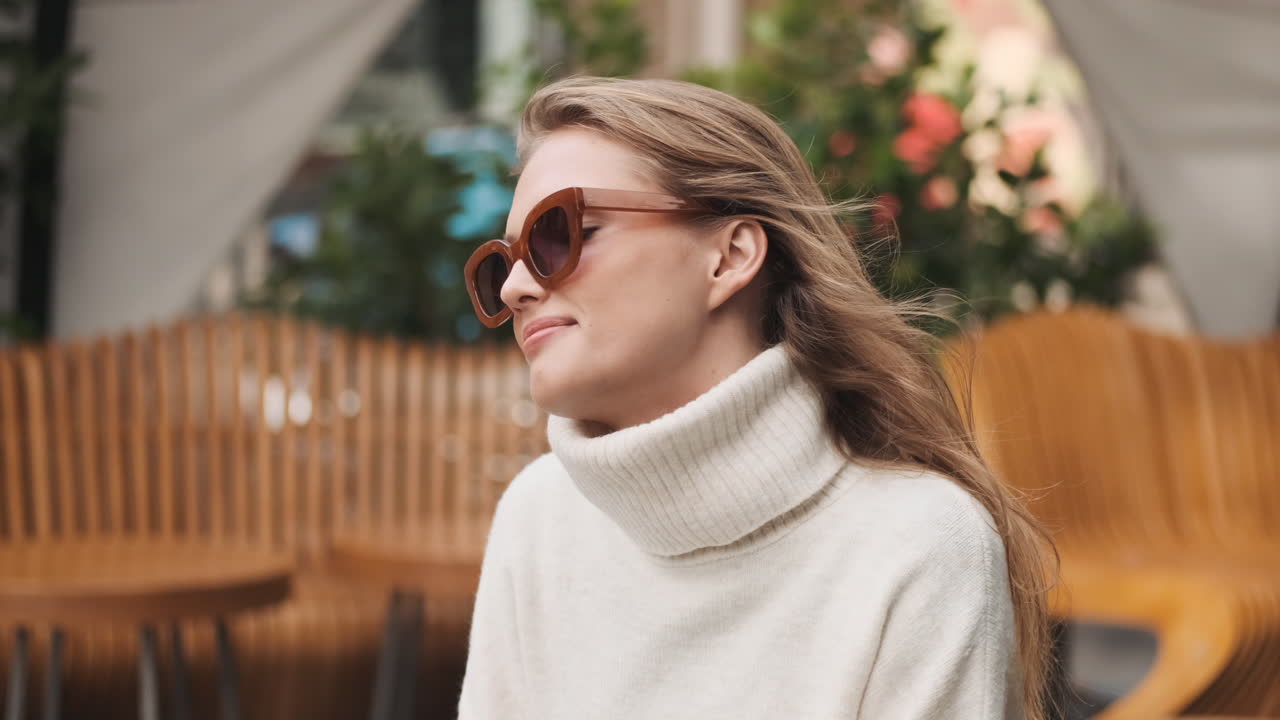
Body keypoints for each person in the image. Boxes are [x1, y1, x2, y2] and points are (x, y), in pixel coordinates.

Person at [457, 75, 1055, 719]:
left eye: (559, 234)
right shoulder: (540, 517)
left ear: (730, 255)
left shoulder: (919, 546)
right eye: (505, 260)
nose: (517, 285)